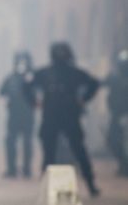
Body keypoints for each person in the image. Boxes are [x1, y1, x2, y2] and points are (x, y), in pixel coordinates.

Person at [25, 42, 100, 196]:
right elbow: (26, 86)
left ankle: (90, 184)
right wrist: (83, 99)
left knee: (65, 153)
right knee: (55, 154)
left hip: (62, 117)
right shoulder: (67, 72)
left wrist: (83, 99)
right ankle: (89, 185)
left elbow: (94, 84)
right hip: (61, 117)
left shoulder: (48, 73)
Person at [0, 51, 34, 178]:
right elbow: (1, 91)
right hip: (14, 115)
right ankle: (12, 169)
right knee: (11, 141)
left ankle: (26, 169)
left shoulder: (32, 78)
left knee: (26, 142)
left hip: (26, 115)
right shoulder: (11, 78)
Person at [106, 49, 128, 177]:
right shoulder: (114, 78)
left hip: (124, 114)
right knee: (113, 140)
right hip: (117, 114)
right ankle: (123, 164)